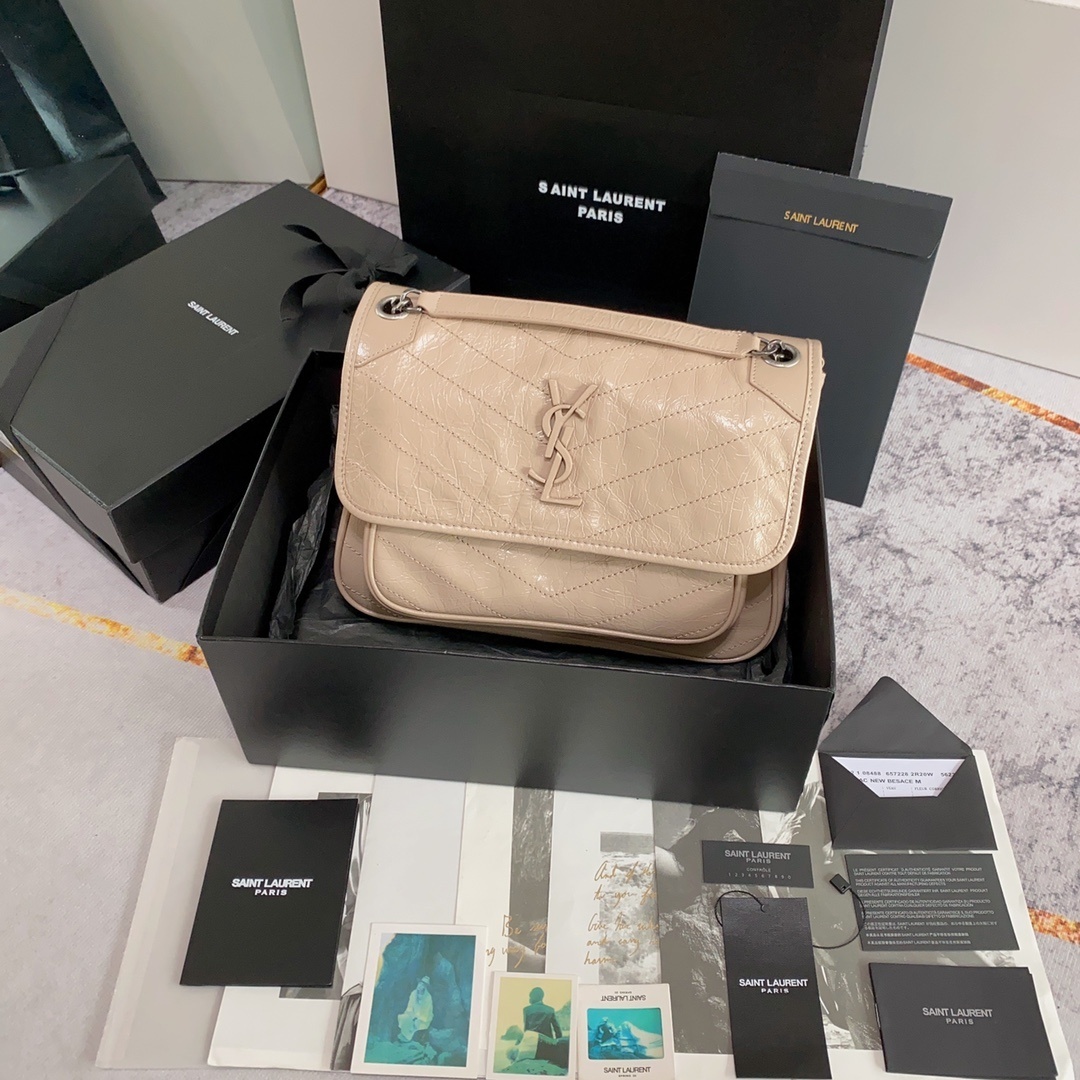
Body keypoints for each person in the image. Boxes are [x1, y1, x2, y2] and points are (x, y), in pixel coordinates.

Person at [397, 975, 434, 1042]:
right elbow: (410, 1007)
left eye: (422, 985)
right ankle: (403, 1035)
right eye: (419, 984)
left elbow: (425, 1013)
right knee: (404, 1018)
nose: (420, 986)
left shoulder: (428, 997)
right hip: (412, 1015)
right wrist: (412, 1015)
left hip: (423, 1019)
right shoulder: (413, 993)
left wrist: (418, 1018)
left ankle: (408, 1038)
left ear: (425, 987)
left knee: (417, 1024)